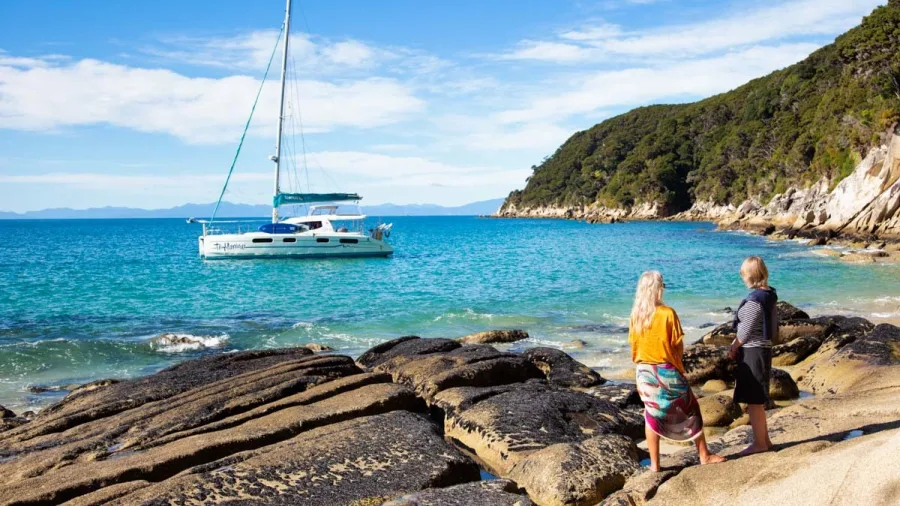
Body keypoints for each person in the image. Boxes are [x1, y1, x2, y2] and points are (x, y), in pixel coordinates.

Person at [629, 271, 726, 471]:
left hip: (643, 371)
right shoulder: (667, 313)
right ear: (658, 289)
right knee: (691, 410)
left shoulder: (636, 315)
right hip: (666, 371)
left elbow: (634, 345)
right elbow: (677, 346)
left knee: (651, 414)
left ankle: (655, 465)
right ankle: (704, 455)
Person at [728, 256, 777, 455]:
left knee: (754, 402)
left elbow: (745, 332)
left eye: (743, 274)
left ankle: (759, 443)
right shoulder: (770, 295)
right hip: (763, 349)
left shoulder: (754, 301)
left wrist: (733, 347)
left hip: (753, 352)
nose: (742, 277)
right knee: (758, 400)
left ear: (750, 275)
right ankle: (765, 440)